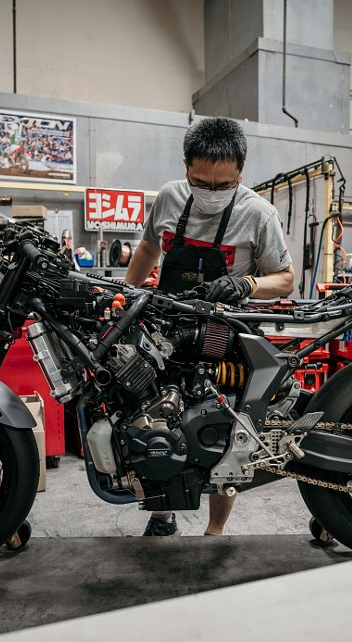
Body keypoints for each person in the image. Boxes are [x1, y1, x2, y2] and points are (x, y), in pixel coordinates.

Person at [125, 117, 295, 536]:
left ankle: (215, 531)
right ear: (186, 168)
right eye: (202, 182)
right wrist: (126, 297)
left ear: (241, 172)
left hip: (224, 339)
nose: (212, 192)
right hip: (167, 331)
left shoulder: (258, 214)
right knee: (158, 423)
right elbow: (147, 248)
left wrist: (247, 284)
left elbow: (286, 279)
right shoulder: (168, 199)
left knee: (226, 436)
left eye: (224, 185)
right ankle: (161, 515)